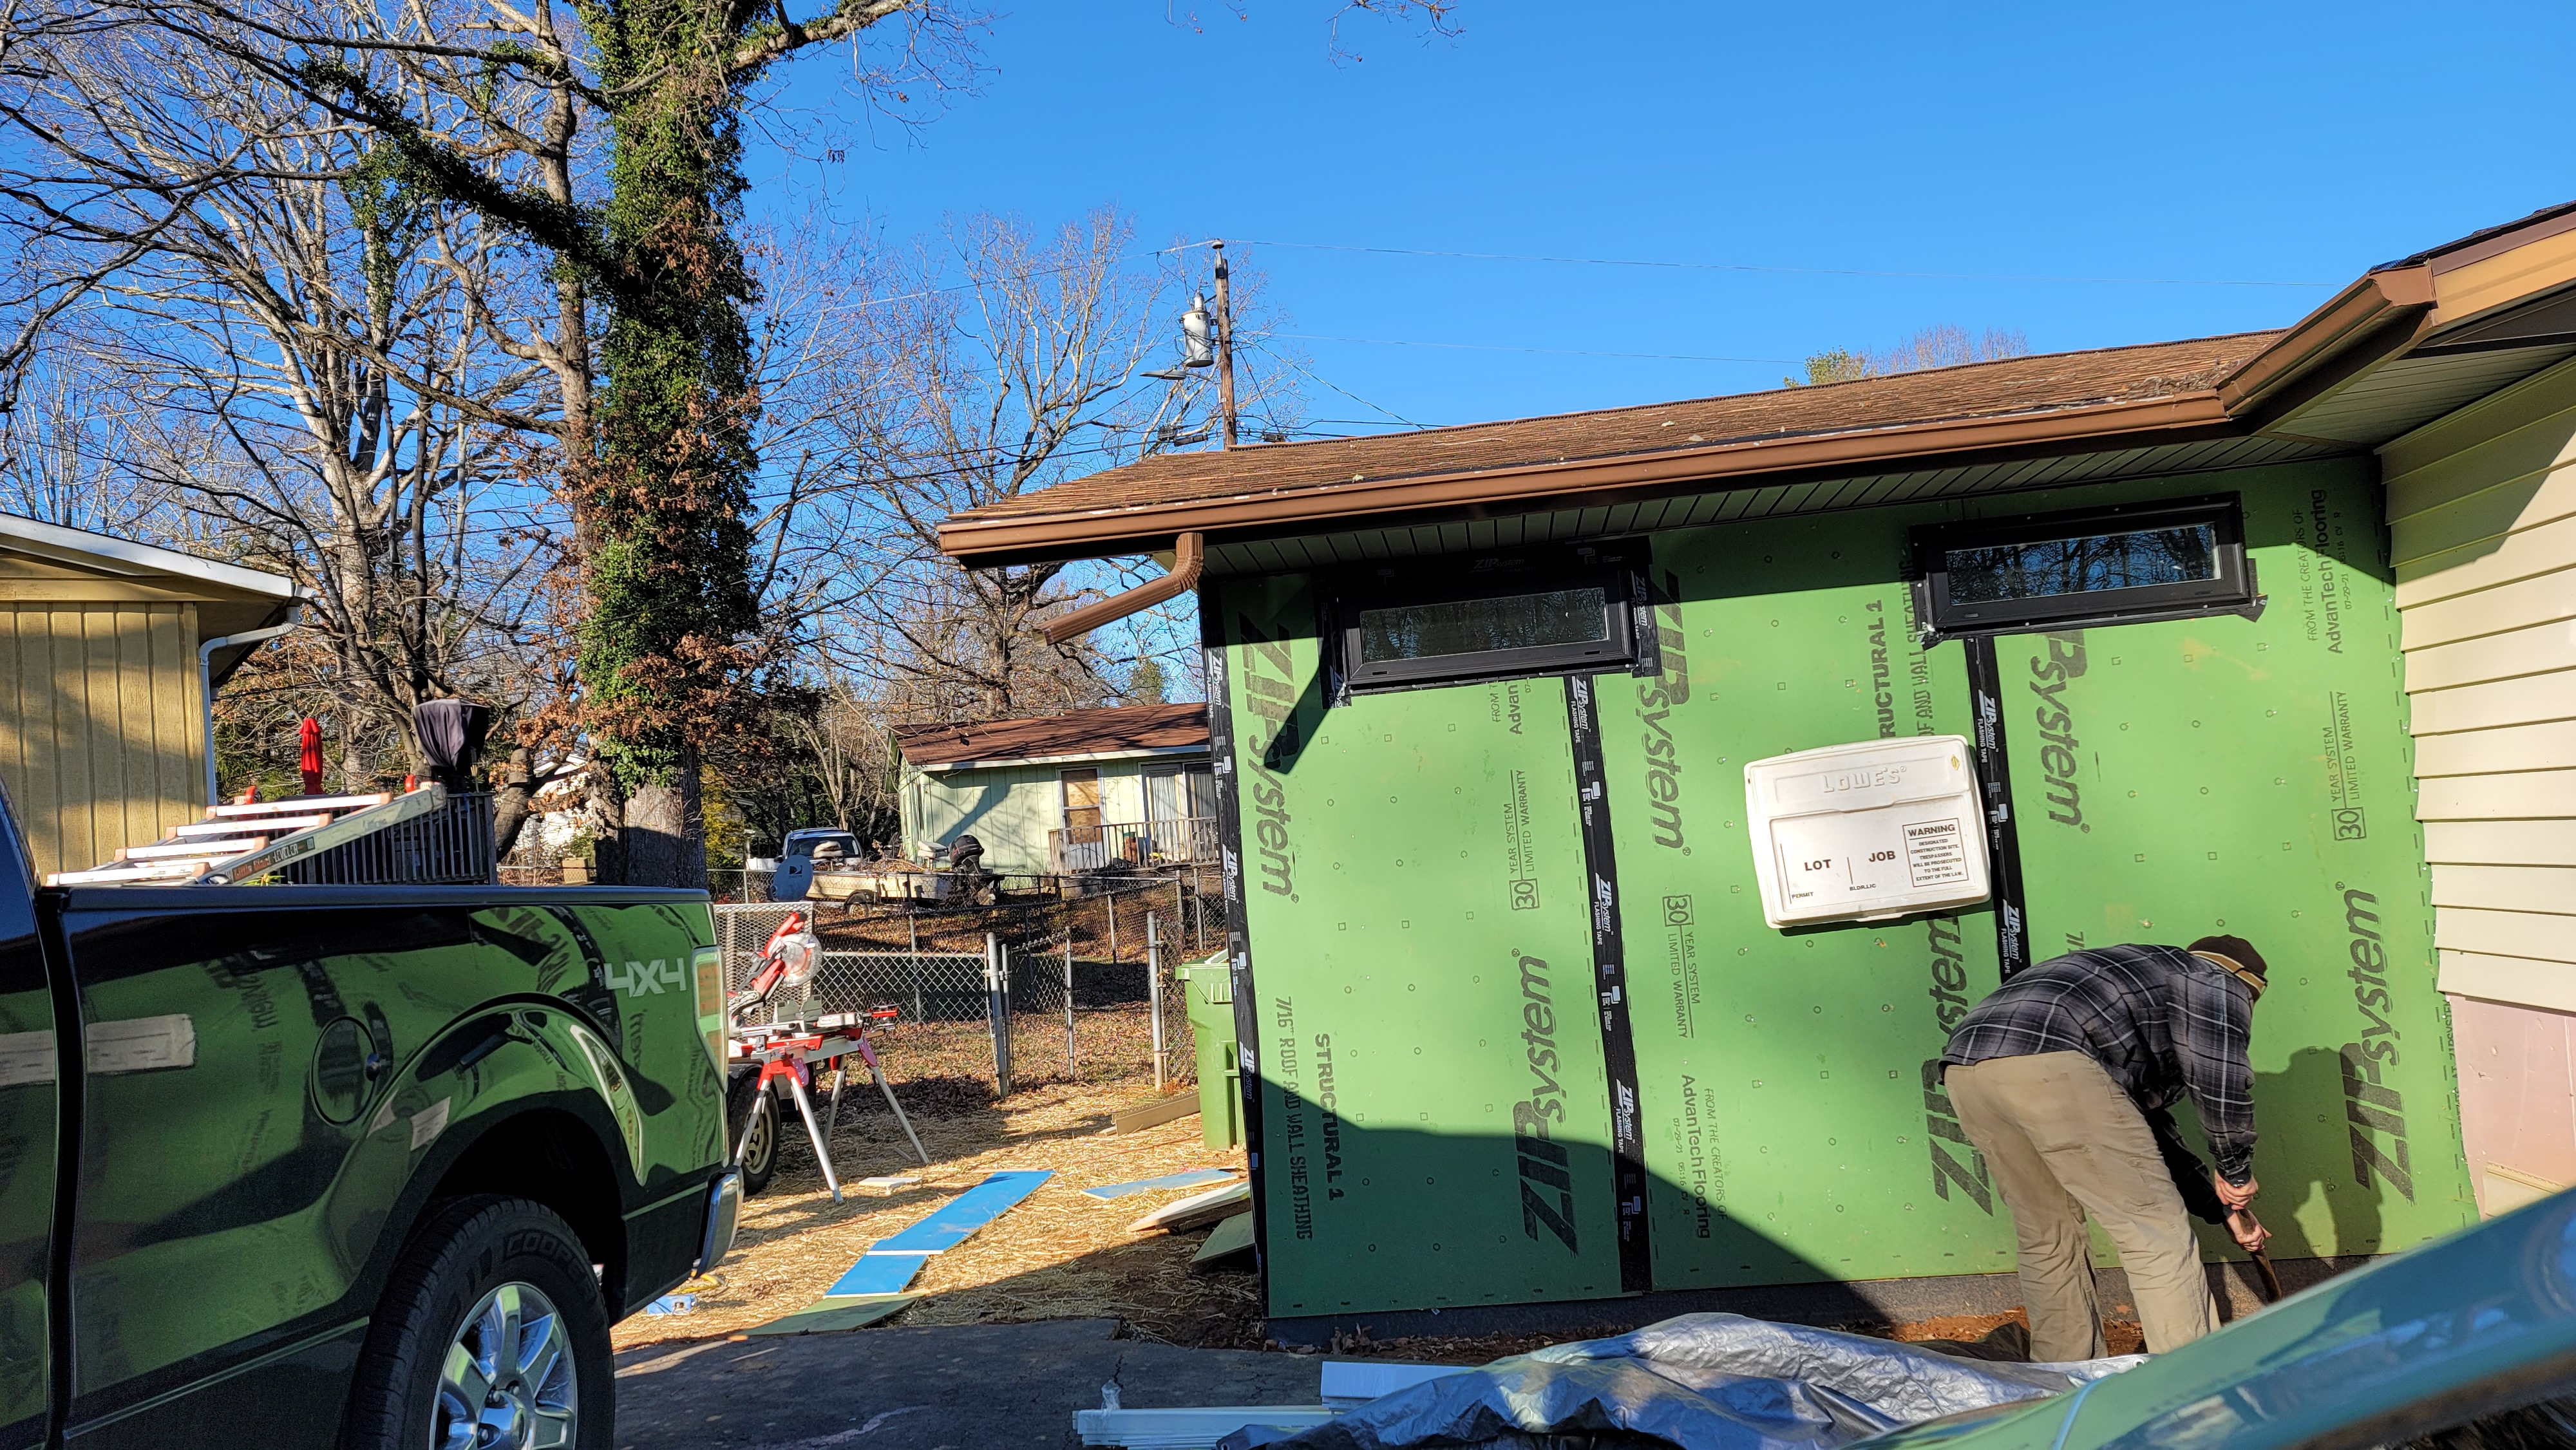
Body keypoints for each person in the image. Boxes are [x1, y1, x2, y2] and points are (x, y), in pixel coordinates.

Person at [1940, 935, 2271, 1361]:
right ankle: (2189, 1382)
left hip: (1967, 1066)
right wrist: (2235, 1172)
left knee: (2049, 1235)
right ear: (2248, 985)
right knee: (2156, 1232)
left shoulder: (2145, 979)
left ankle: (2063, 1378)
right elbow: (2218, 1078)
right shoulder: (2216, 980)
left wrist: (2219, 1208)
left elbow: (2142, 1129)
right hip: (2056, 1061)